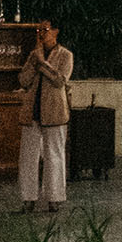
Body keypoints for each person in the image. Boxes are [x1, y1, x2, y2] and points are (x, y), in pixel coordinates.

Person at [18, 19, 74, 212]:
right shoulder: (34, 54)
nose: (41, 33)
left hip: (54, 112)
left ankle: (54, 198)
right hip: (32, 111)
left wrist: (42, 65)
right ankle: (28, 198)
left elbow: (60, 80)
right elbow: (23, 80)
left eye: (45, 29)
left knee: (54, 156)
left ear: (56, 31)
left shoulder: (65, 55)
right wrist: (35, 64)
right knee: (28, 156)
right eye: (39, 30)